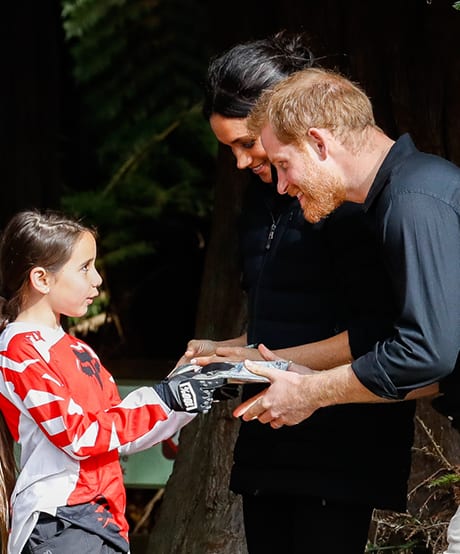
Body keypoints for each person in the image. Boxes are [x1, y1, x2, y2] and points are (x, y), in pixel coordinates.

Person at [177, 32, 418, 554]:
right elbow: (288, 317)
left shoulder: (346, 201)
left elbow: (378, 333)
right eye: (230, 150)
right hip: (270, 436)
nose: (241, 163)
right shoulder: (259, 202)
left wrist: (258, 363)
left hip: (338, 442)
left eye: (248, 143)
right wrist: (227, 351)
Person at [232, 65, 460, 552]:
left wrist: (310, 393)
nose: (281, 186)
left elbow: (427, 352)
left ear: (318, 142)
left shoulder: (412, 199)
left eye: (284, 164)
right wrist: (288, 370)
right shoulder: (403, 194)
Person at [0, 209, 229, 554]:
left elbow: (119, 432)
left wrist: (188, 390)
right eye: (84, 267)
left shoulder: (79, 349)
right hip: (60, 520)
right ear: (41, 279)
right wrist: (167, 397)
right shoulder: (19, 348)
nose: (98, 280)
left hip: (102, 518)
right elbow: (78, 435)